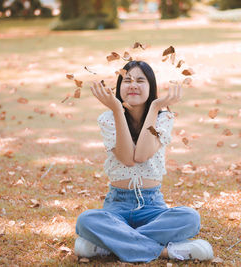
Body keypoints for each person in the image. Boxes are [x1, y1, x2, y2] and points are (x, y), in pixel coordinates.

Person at [74, 60, 214, 263]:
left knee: (190, 217)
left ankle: (110, 245)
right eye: (127, 80)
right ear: (119, 86)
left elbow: (140, 155)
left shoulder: (163, 118)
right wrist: (116, 109)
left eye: (141, 80)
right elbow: (127, 159)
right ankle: (164, 251)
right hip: (117, 205)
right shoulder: (108, 118)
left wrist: (156, 106)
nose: (133, 85)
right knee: (86, 220)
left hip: (152, 205)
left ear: (151, 87)